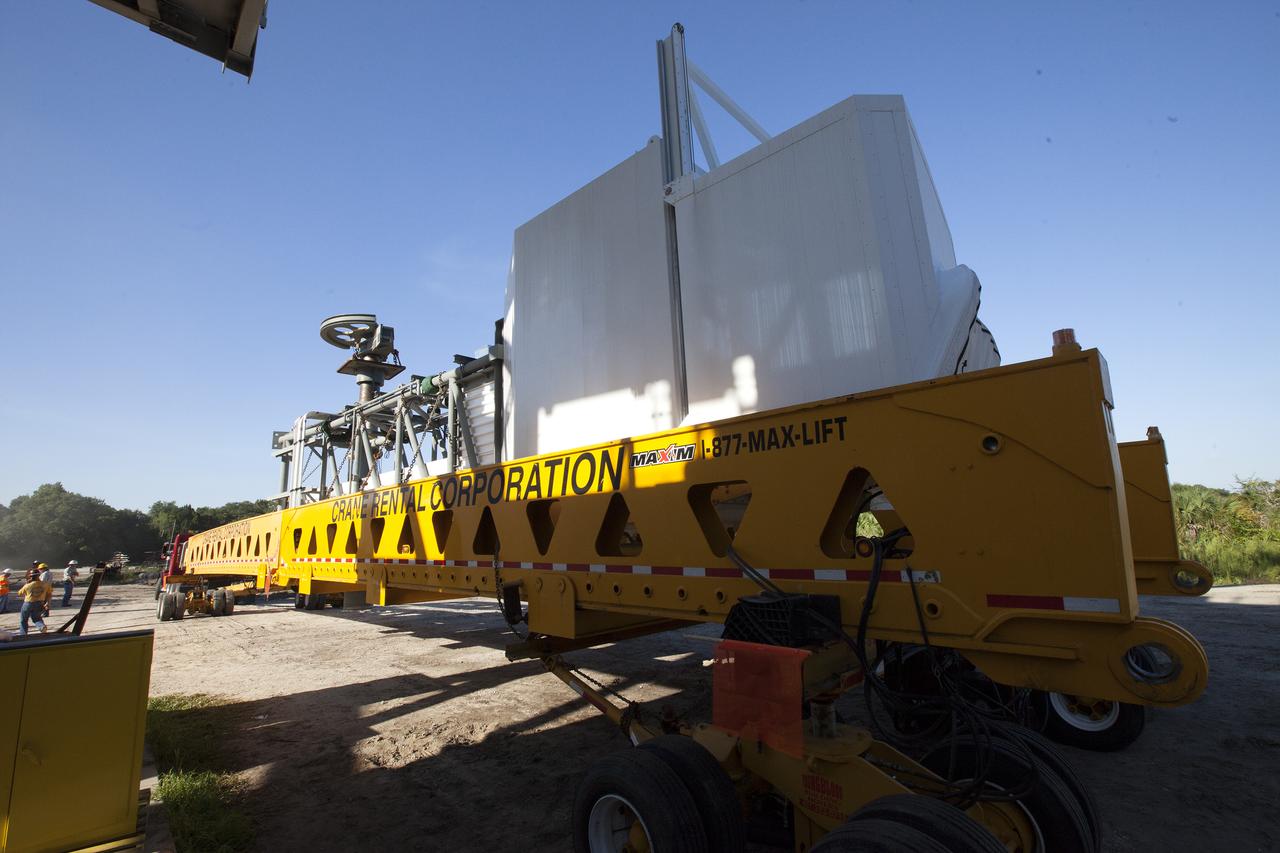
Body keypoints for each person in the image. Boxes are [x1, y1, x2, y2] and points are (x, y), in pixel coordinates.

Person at [16, 571, 51, 636]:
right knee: (37, 618)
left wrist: (26, 583)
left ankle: (23, 634)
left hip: (28, 603)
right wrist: (47, 603)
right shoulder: (45, 584)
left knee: (24, 620)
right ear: (39, 576)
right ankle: (41, 627)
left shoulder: (28, 585)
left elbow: (19, 593)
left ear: (30, 576)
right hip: (40, 603)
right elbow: (49, 594)